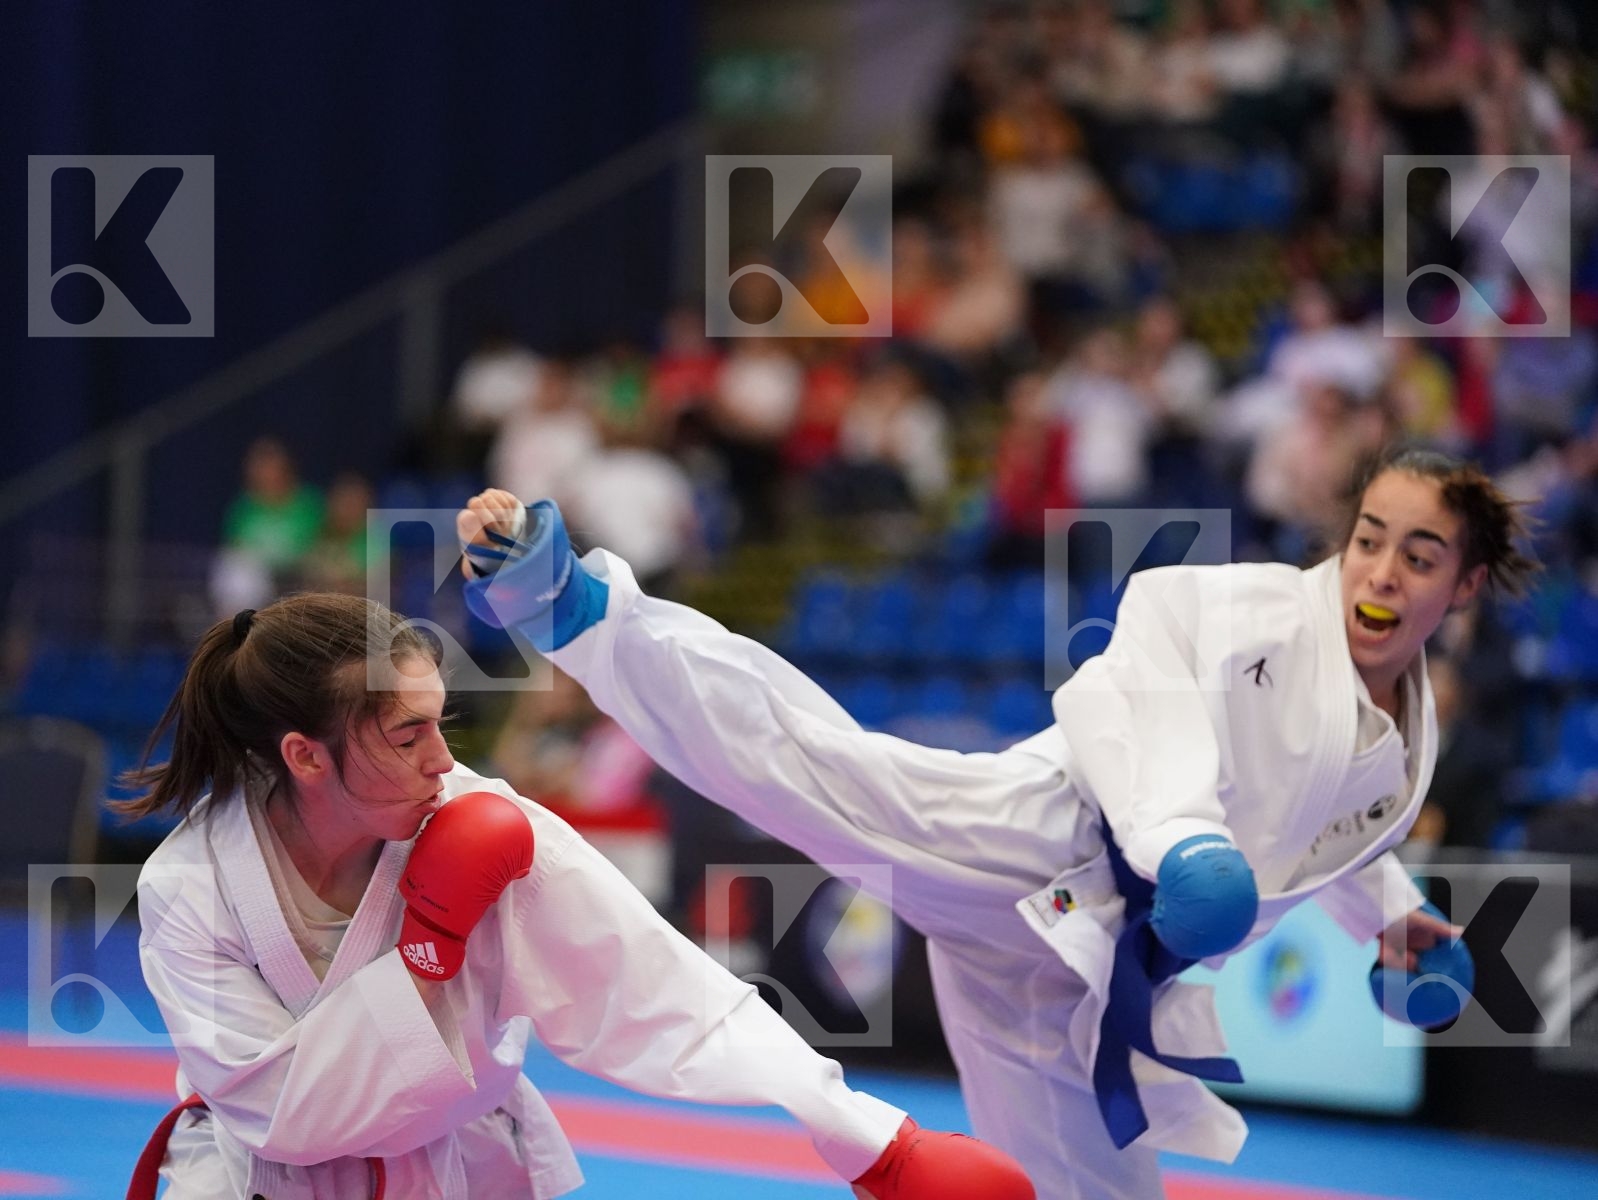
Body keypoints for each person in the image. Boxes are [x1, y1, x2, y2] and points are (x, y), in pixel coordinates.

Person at [457, 444, 1540, 1200]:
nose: (1379, 572)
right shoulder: (1258, 612)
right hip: (1040, 847)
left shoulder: (1406, 740)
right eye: (1366, 538)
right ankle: (586, 613)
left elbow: (1317, 828)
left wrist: (1392, 920)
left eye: (1418, 555)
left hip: (1076, 981)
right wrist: (1178, 837)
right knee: (819, 773)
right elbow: (1144, 657)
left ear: (1466, 583)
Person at [122, 595, 1034, 1199]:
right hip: (257, 1179)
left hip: (460, 1170)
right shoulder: (192, 889)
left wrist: (870, 1139)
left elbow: (647, 978)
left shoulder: (475, 819)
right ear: (304, 756)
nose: (443, 762)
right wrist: (427, 959)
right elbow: (284, 1113)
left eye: (445, 725)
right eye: (407, 737)